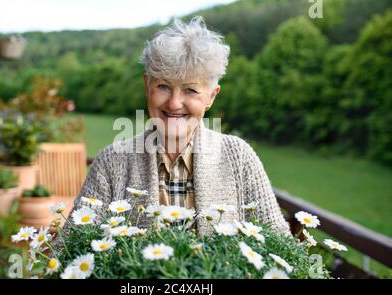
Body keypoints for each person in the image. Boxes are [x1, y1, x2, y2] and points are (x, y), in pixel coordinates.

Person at [64, 16, 290, 235]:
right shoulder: (110, 163)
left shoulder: (239, 158)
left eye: (190, 90)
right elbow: (69, 249)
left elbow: (280, 246)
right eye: (163, 86)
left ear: (211, 96)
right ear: (147, 86)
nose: (174, 103)